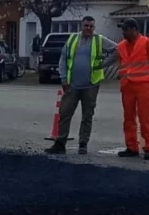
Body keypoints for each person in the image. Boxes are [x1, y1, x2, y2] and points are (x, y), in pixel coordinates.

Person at [46, 16, 118, 155]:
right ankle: (60, 143)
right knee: (65, 113)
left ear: (94, 27)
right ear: (82, 26)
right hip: (72, 85)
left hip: (91, 85)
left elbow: (116, 50)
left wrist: (103, 64)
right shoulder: (73, 39)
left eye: (91, 26)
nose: (89, 29)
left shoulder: (99, 39)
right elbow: (63, 59)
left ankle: (83, 144)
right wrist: (63, 79)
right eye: (86, 26)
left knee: (87, 115)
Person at [116, 18, 149, 160]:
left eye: (126, 30)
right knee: (128, 118)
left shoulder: (147, 43)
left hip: (142, 85)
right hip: (127, 86)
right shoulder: (121, 46)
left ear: (134, 29)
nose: (123, 33)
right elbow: (121, 63)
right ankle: (131, 147)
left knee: (144, 117)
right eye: (123, 29)